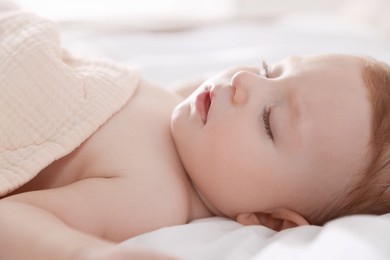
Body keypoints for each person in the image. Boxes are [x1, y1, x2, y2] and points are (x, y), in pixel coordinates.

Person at [1, 51, 390, 259]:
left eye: (270, 121)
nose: (243, 81)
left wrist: (84, 253)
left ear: (271, 219)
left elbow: (13, 219)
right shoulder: (187, 113)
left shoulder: (151, 196)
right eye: (269, 71)